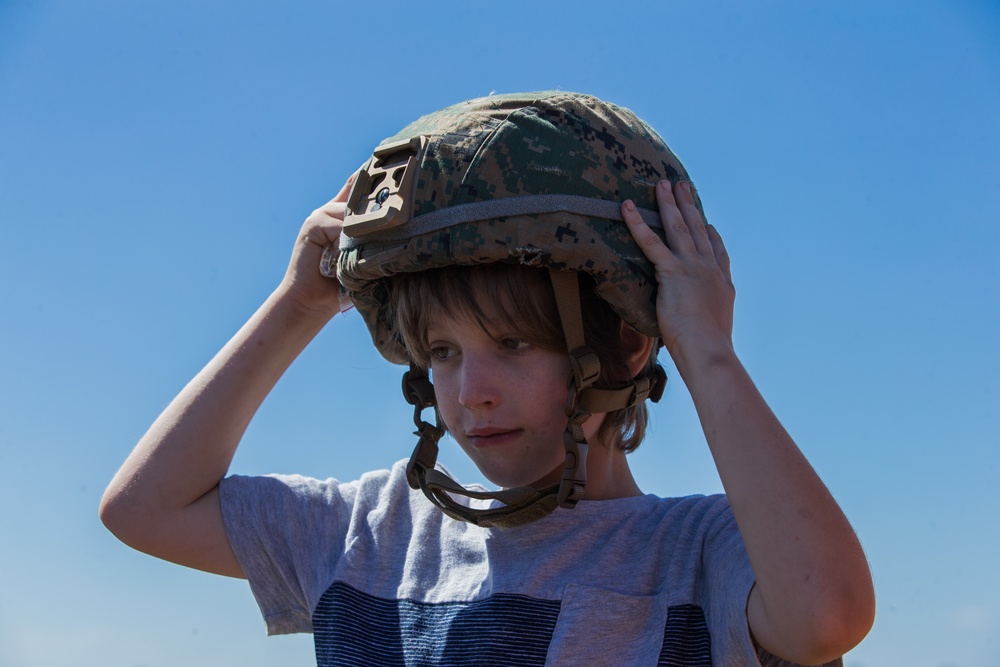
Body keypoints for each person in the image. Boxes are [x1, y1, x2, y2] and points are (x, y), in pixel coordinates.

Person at [100, 92, 875, 666]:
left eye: (512, 341)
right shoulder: (368, 533)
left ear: (631, 345)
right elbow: (144, 507)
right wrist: (297, 303)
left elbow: (827, 613)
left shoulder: (699, 551)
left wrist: (706, 346)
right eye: (441, 351)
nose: (471, 391)